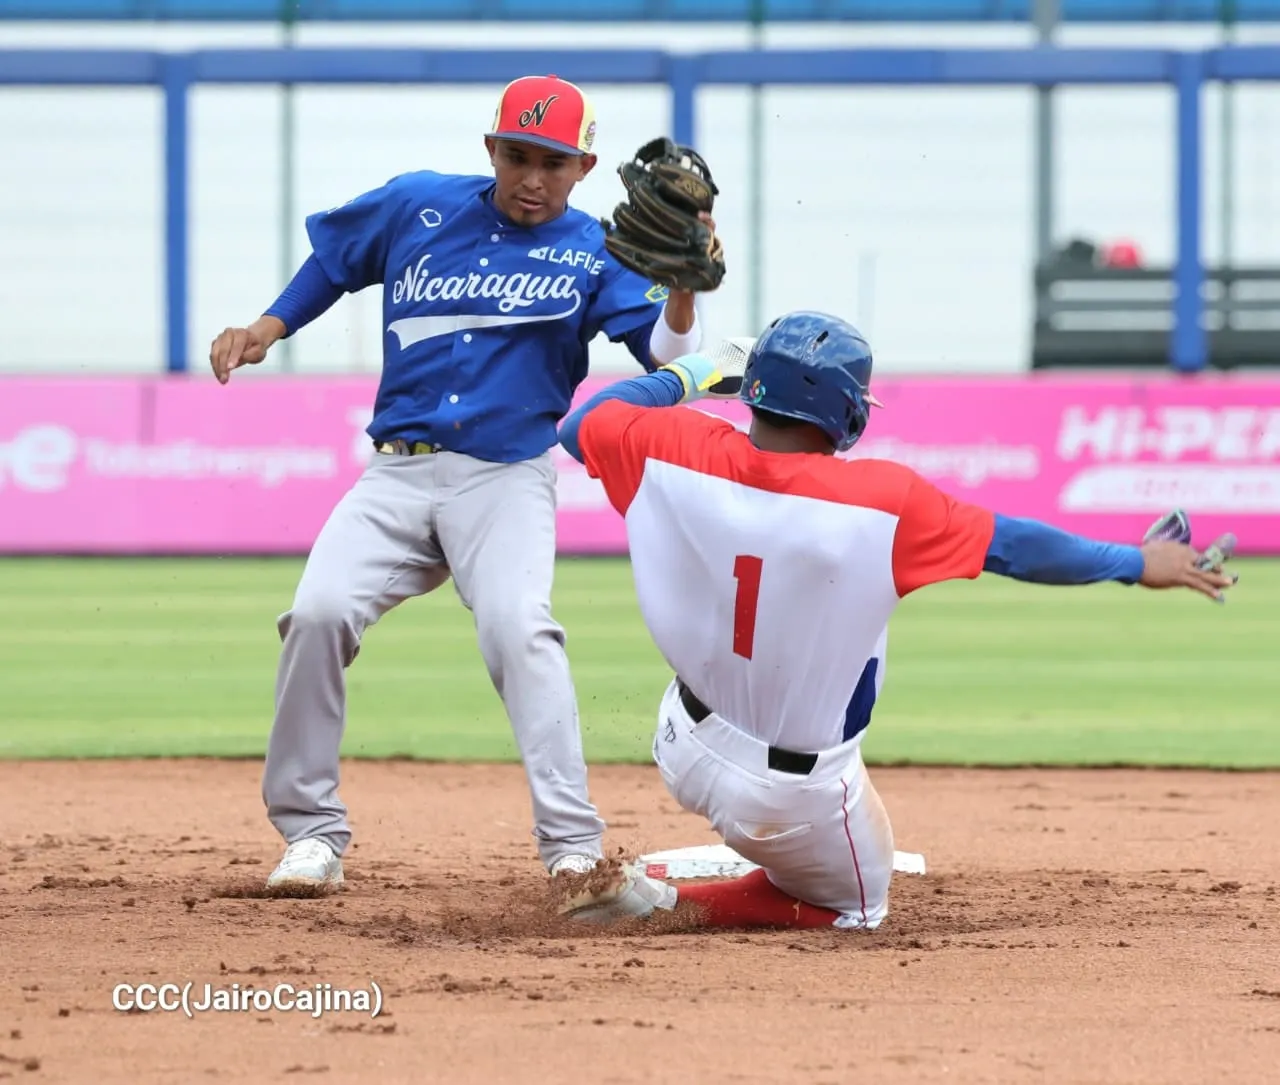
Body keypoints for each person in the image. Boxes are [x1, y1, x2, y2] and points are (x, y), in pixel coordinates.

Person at [549, 310, 1239, 930]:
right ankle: (664, 903)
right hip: (789, 797)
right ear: (848, 411)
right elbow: (1020, 547)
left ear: (750, 388)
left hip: (682, 745)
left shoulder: (669, 444)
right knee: (857, 907)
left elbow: (583, 425)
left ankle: (693, 865)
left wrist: (697, 370)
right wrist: (1135, 561)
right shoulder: (882, 501)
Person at [207, 74, 714, 890]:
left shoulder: (596, 248)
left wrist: (683, 288)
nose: (533, 178)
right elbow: (335, 259)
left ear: (585, 167)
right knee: (316, 614)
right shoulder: (418, 204)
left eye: (553, 162)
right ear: (491, 149)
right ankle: (311, 835)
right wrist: (269, 326)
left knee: (520, 628)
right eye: (518, 156)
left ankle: (573, 849)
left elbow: (664, 351)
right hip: (397, 472)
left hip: (504, 478)